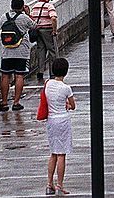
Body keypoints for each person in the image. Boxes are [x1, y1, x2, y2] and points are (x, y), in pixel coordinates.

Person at [43, 57, 75, 195]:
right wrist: (67, 104)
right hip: (63, 120)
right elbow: (72, 105)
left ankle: (49, 183)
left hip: (51, 120)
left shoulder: (48, 84)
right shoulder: (66, 88)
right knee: (62, 154)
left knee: (53, 153)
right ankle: (59, 185)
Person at [0, 0, 35, 112]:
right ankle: (16, 102)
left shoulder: (4, 17)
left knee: (5, 76)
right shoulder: (24, 18)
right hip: (21, 52)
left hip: (7, 51)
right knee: (19, 76)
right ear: (22, 6)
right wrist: (28, 13)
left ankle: (4, 102)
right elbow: (34, 26)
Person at [29, 0, 59, 81]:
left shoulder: (34, 6)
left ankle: (40, 72)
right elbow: (53, 18)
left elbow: (32, 18)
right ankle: (53, 73)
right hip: (47, 30)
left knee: (41, 51)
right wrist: (54, 30)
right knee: (52, 51)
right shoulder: (49, 6)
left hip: (38, 30)